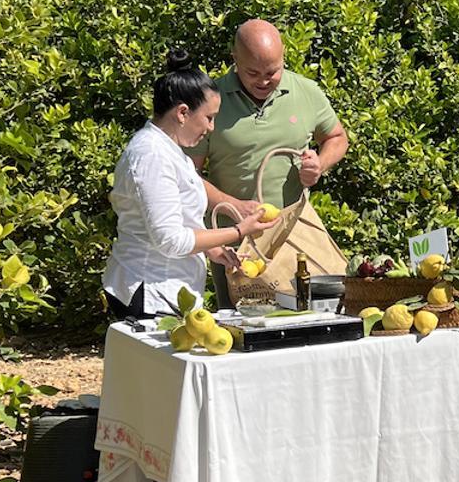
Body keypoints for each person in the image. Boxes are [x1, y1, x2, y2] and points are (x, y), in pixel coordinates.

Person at [102, 50, 278, 318]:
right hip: (151, 292)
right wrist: (239, 231)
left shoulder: (169, 149)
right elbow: (171, 240)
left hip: (169, 291)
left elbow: (183, 216)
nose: (211, 128)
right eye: (209, 118)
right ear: (183, 112)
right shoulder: (152, 155)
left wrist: (216, 250)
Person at [186, 19, 349, 307]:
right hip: (236, 246)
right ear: (234, 59)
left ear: (284, 56)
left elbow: (337, 137)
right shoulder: (210, 100)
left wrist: (319, 164)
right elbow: (187, 176)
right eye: (252, 73)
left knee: (307, 327)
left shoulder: (306, 91)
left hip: (297, 240)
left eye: (272, 72)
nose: (263, 81)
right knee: (246, 337)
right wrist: (232, 204)